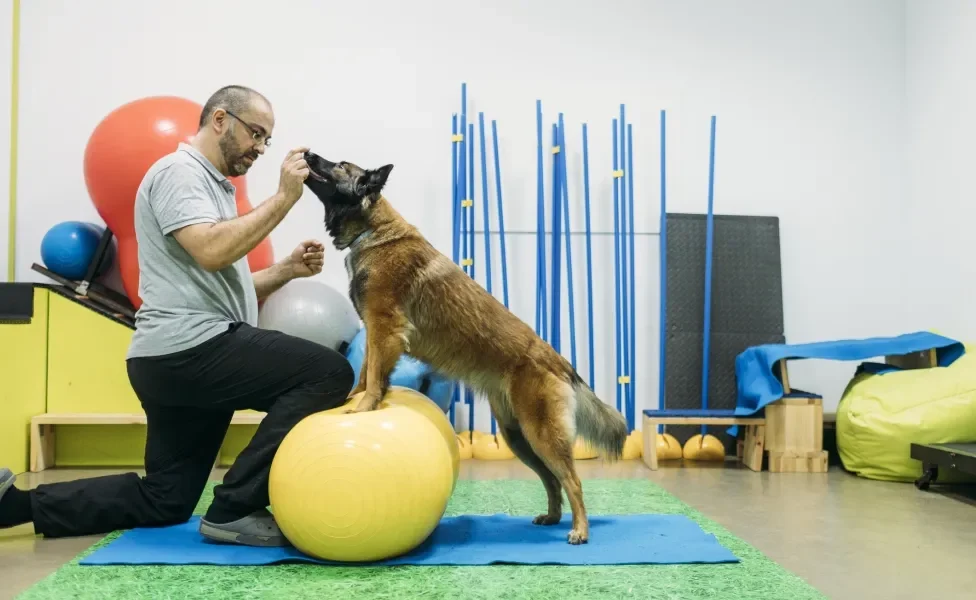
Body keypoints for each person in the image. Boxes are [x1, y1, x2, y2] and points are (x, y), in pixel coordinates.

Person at [0, 85, 354, 547]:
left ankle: (13, 505)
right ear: (221, 120)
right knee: (327, 373)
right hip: (190, 350)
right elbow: (212, 251)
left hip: (172, 357)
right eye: (256, 134)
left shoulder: (212, 186)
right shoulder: (179, 172)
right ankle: (235, 506)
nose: (261, 149)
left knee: (165, 500)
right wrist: (285, 198)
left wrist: (285, 270)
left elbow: (223, 284)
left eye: (267, 140)